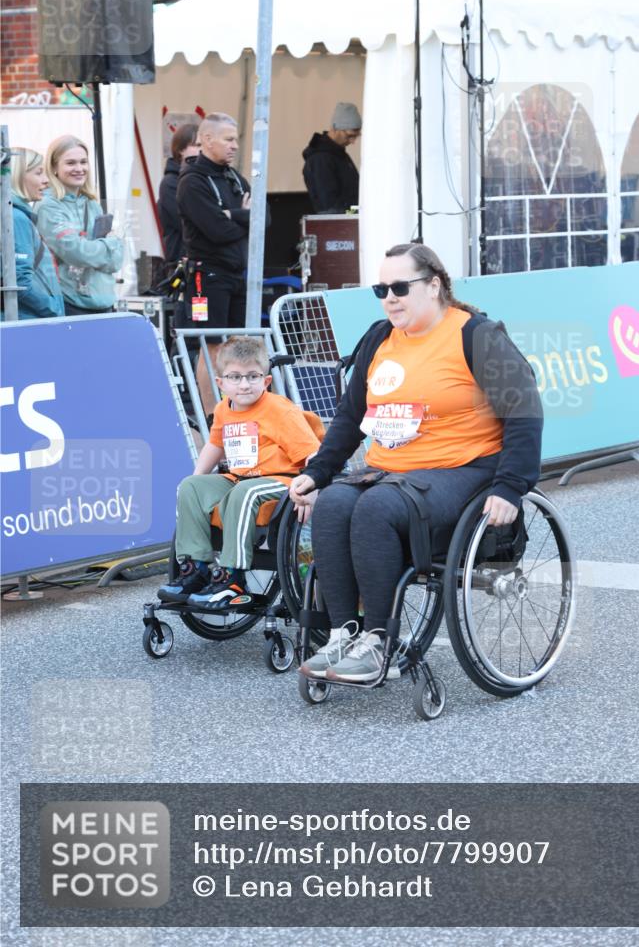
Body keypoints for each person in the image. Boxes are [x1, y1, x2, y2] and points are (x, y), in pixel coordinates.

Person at [290, 242, 543, 683]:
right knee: (332, 503)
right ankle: (342, 634)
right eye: (381, 290)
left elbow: (523, 408)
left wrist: (511, 486)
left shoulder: (476, 335)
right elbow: (350, 417)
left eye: (400, 288)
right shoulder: (379, 338)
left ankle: (378, 642)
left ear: (434, 285)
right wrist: (318, 472)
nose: (389, 298)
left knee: (377, 507)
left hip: (462, 468)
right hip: (391, 469)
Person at [158, 336, 322, 609]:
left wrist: (311, 489)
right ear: (221, 383)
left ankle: (232, 578)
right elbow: (215, 444)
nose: (244, 384)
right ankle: (195, 569)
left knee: (244, 492)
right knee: (190, 487)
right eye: (235, 377)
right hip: (240, 478)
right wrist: (197, 477)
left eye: (252, 376)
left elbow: (313, 453)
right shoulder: (223, 408)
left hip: (282, 479)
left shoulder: (279, 410)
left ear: (266, 381)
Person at [176, 112, 268, 419]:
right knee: (211, 345)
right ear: (206, 139)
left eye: (235, 139)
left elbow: (264, 218)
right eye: (228, 139)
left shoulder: (234, 177)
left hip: (236, 273)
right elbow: (217, 230)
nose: (234, 146)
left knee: (237, 344)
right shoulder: (192, 181)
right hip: (206, 276)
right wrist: (242, 217)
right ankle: (210, 415)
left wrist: (232, 215)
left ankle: (238, 409)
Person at [37, 135, 123, 315]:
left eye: (83, 162)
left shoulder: (92, 204)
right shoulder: (48, 205)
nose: (79, 169)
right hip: (71, 305)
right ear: (54, 167)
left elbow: (117, 260)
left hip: (104, 304)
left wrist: (94, 250)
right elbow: (76, 252)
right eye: (70, 163)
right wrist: (109, 246)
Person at [4, 148, 64, 320]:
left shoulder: (15, 216)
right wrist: (54, 310)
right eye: (39, 173)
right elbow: (20, 282)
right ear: (17, 176)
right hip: (29, 321)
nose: (46, 180)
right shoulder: (17, 219)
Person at [302, 102, 362, 214]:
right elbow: (331, 208)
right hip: (339, 223)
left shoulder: (340, 155)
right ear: (335, 128)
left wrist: (360, 212)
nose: (353, 141)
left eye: (356, 136)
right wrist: (358, 212)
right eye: (349, 136)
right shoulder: (320, 160)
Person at [157, 122, 201, 268]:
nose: (201, 150)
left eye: (203, 145)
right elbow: (189, 224)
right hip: (182, 263)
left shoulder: (201, 179)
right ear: (181, 149)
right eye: (196, 145)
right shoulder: (170, 183)